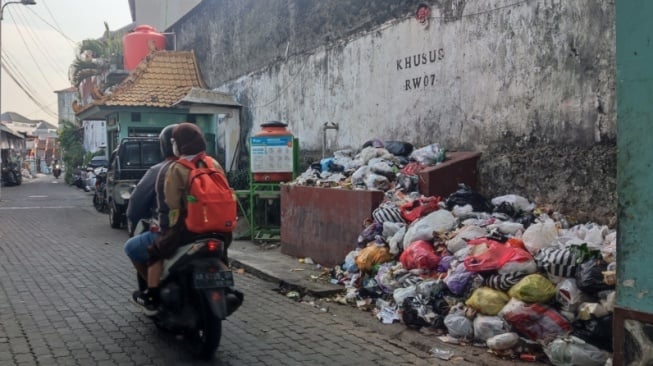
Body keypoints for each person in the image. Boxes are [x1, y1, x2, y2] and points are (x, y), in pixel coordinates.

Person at [133, 122, 230, 312]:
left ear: (178, 144)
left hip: (188, 230)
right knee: (222, 252)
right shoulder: (214, 163)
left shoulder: (176, 169)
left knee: (155, 251)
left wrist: (166, 228)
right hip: (221, 228)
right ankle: (227, 286)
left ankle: (152, 295)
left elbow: (170, 203)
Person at [124, 124, 178, 306]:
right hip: (209, 229)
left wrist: (132, 220)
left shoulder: (160, 170)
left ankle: (153, 290)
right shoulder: (205, 165)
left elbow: (135, 204)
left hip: (171, 230)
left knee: (132, 248)